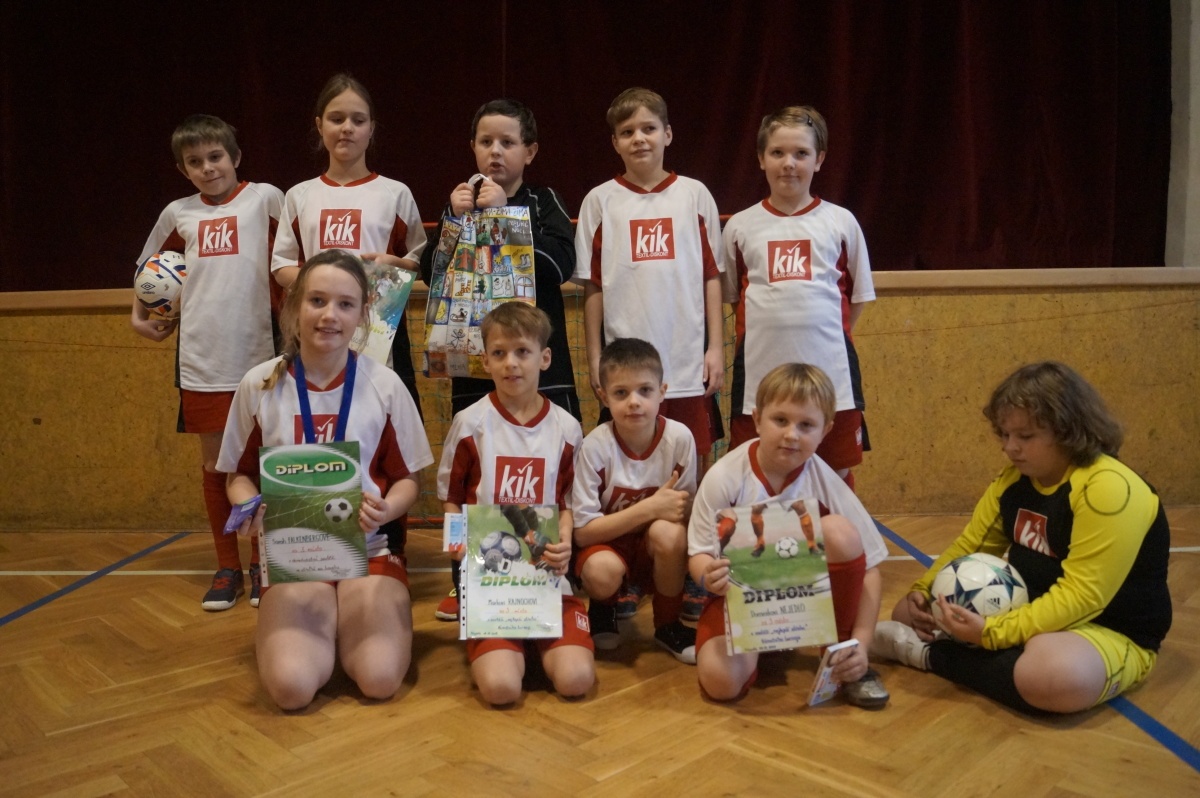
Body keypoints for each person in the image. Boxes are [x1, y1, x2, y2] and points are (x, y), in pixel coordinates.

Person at [872, 361, 1172, 714]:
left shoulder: (1109, 488)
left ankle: (929, 656)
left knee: (1052, 676)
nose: (1010, 448)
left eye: (1025, 437)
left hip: (1108, 628)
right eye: (1003, 434)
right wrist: (924, 591)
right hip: (1031, 611)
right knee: (907, 614)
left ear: (1068, 430)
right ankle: (993, 660)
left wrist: (991, 632)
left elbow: (1084, 597)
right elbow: (971, 545)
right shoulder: (1013, 481)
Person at [217, 250, 433, 710]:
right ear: (294, 305)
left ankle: (349, 619)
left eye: (345, 304)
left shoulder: (385, 385)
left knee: (379, 679)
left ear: (363, 315)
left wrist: (387, 510)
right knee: (291, 688)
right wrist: (249, 506)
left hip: (370, 551)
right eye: (317, 300)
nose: (329, 315)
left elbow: (408, 481)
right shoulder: (259, 384)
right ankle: (326, 626)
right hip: (294, 556)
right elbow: (239, 476)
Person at [420, 98, 580, 623]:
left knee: (550, 475)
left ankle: (557, 569)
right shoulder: (459, 204)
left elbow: (560, 263)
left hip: (543, 371)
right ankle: (465, 578)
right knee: (478, 477)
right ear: (472, 148)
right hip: (476, 365)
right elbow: (431, 272)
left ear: (529, 151)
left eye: (508, 142)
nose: (495, 152)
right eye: (486, 141)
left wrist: (505, 216)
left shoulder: (542, 201)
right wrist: (454, 221)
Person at [132, 114, 284, 611]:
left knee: (263, 462)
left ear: (235, 157)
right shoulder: (177, 213)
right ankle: (227, 567)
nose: (207, 167)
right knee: (216, 465)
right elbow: (148, 271)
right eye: (195, 162)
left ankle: (264, 564)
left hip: (262, 354)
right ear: (183, 169)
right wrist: (139, 318)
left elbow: (293, 258)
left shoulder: (265, 198)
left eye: (215, 156)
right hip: (202, 358)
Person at [688, 363, 890, 708]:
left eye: (806, 425)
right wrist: (708, 575)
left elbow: (870, 568)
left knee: (840, 533)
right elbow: (699, 555)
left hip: (803, 599)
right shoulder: (724, 477)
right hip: (739, 602)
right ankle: (756, 651)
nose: (792, 435)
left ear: (826, 430)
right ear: (757, 419)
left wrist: (861, 642)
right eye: (780, 420)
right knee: (721, 683)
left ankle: (840, 656)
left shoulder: (824, 479)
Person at [437, 302, 594, 706]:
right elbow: (451, 499)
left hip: (545, 574)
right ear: (485, 361)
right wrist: (456, 543)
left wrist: (565, 543)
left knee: (576, 680)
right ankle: (509, 644)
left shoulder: (567, 428)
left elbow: (566, 504)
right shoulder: (469, 423)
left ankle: (538, 640)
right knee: (501, 689)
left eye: (522, 351)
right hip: (488, 578)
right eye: (499, 352)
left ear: (545, 358)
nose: (511, 363)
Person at [721, 106, 875, 491]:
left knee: (835, 473)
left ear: (819, 159)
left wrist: (825, 334)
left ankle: (836, 531)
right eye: (777, 153)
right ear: (761, 158)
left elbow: (856, 298)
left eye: (801, 153)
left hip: (832, 375)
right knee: (756, 471)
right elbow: (735, 298)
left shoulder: (841, 222)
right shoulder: (739, 226)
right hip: (759, 375)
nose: (789, 163)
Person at [573, 87, 725, 462]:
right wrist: (595, 358)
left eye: (649, 128)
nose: (639, 138)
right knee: (629, 462)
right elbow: (593, 287)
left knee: (693, 459)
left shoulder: (695, 195)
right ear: (615, 142)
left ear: (667, 134)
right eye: (627, 132)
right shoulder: (598, 201)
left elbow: (711, 277)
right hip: (626, 368)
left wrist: (716, 348)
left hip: (687, 362)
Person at [271, 73, 426, 405]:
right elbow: (281, 267)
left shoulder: (395, 193)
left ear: (371, 128)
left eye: (358, 120)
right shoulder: (299, 195)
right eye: (336, 119)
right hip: (317, 330)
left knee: (379, 417)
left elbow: (418, 260)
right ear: (319, 125)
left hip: (379, 334)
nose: (347, 128)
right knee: (319, 416)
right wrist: (325, 285)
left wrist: (394, 265)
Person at [571, 338, 698, 663]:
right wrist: (650, 507)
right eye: (621, 393)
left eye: (645, 390)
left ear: (662, 391)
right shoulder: (595, 446)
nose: (634, 402)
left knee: (672, 534)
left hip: (653, 546)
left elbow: (685, 513)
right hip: (608, 546)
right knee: (600, 571)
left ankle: (668, 624)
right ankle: (603, 609)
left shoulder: (680, 439)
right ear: (603, 396)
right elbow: (582, 533)